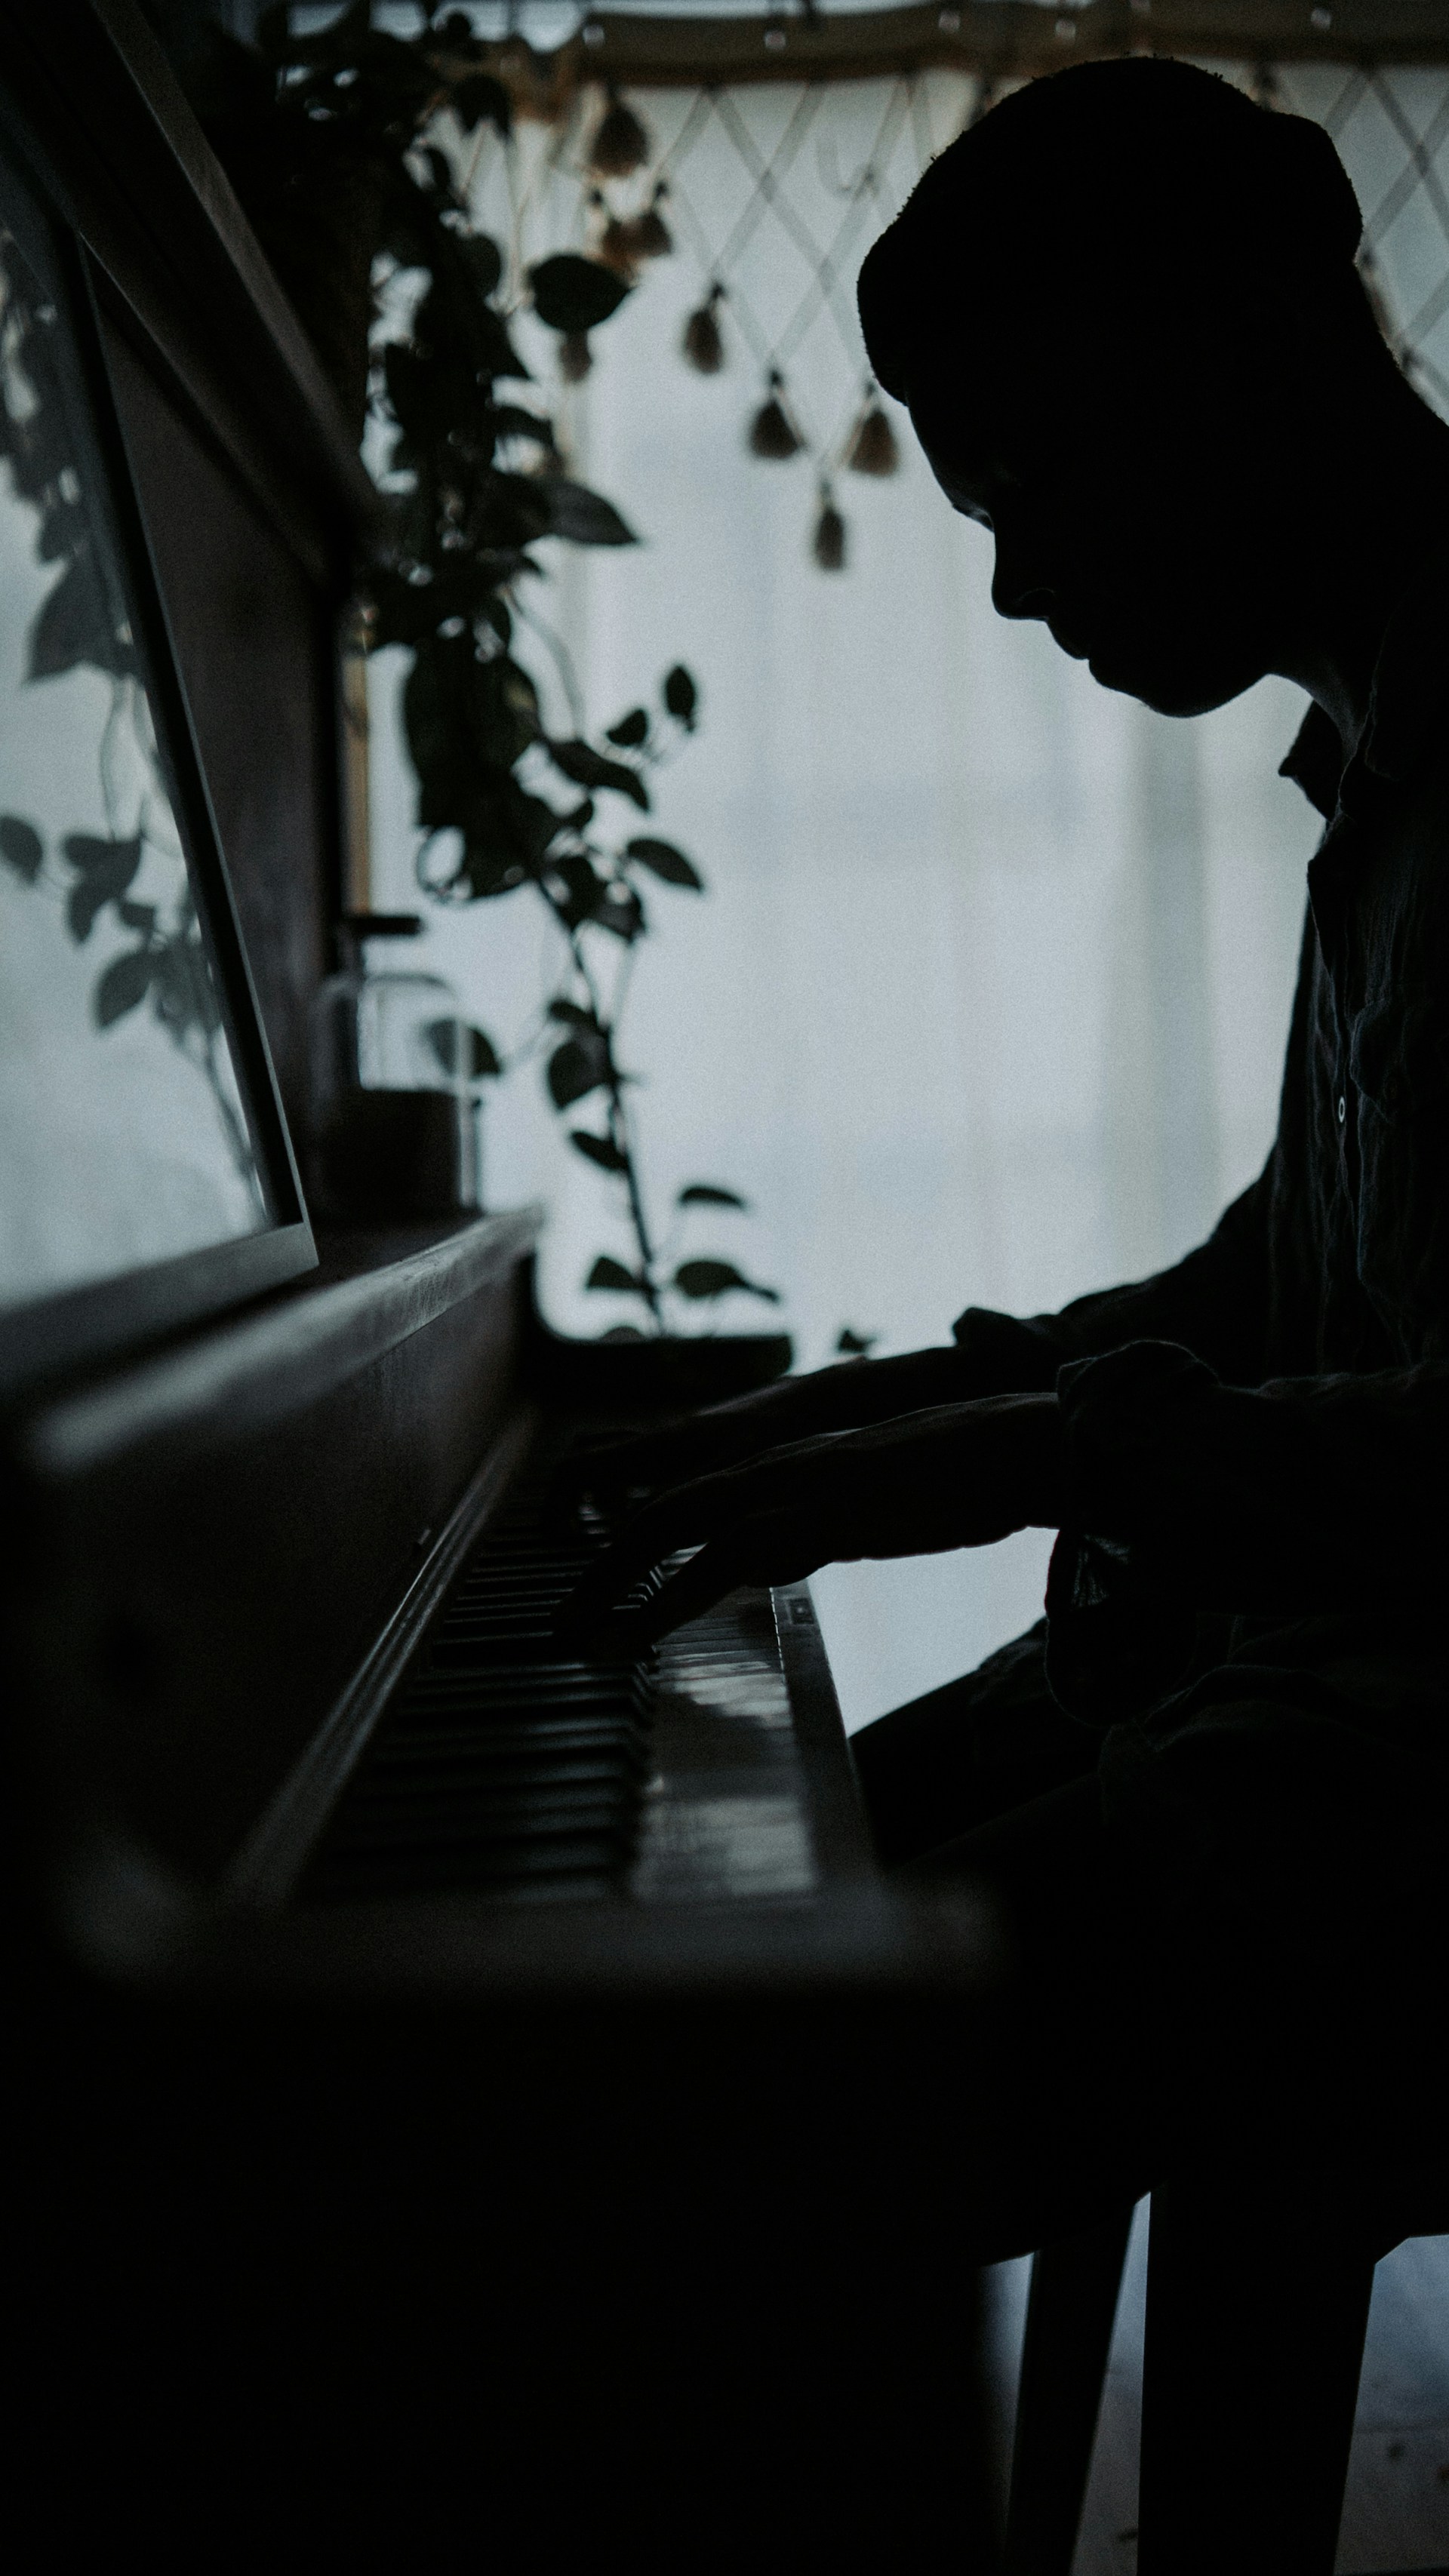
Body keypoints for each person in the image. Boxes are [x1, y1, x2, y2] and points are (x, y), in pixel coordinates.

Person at [559, 59, 1449, 2256]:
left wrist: (1032, 1456)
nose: (1017, 589)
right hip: (1322, 1674)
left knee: (719, 2111)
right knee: (703, 1904)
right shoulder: (1378, 753)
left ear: (1248, 336)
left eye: (1039, 483)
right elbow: (1279, 1284)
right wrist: (861, 1413)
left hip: (1419, 1766)